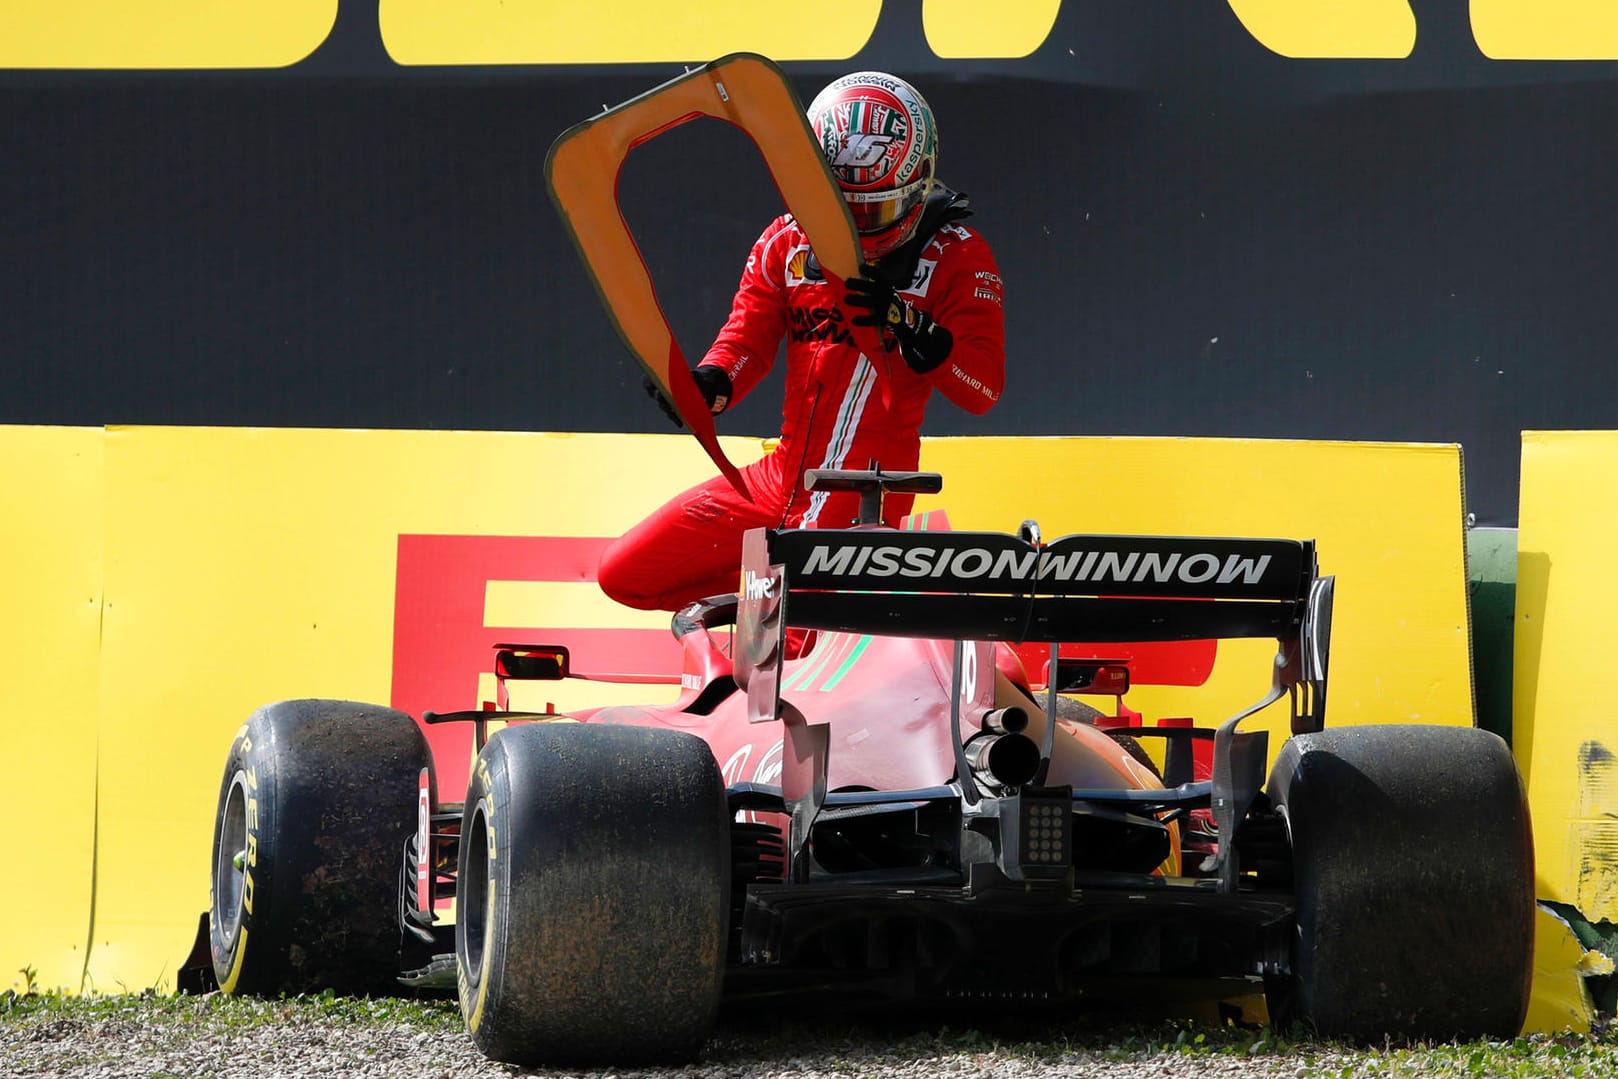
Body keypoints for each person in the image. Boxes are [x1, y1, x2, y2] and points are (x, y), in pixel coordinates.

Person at [597, 71, 1006, 613]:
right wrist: (710, 383)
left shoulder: (958, 253)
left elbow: (982, 389)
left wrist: (911, 326)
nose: (859, 227)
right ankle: (767, 602)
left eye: (874, 210)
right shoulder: (784, 240)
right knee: (625, 575)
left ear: (919, 181)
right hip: (779, 479)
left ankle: (810, 611)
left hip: (865, 495)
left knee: (794, 654)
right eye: (841, 208)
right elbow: (745, 340)